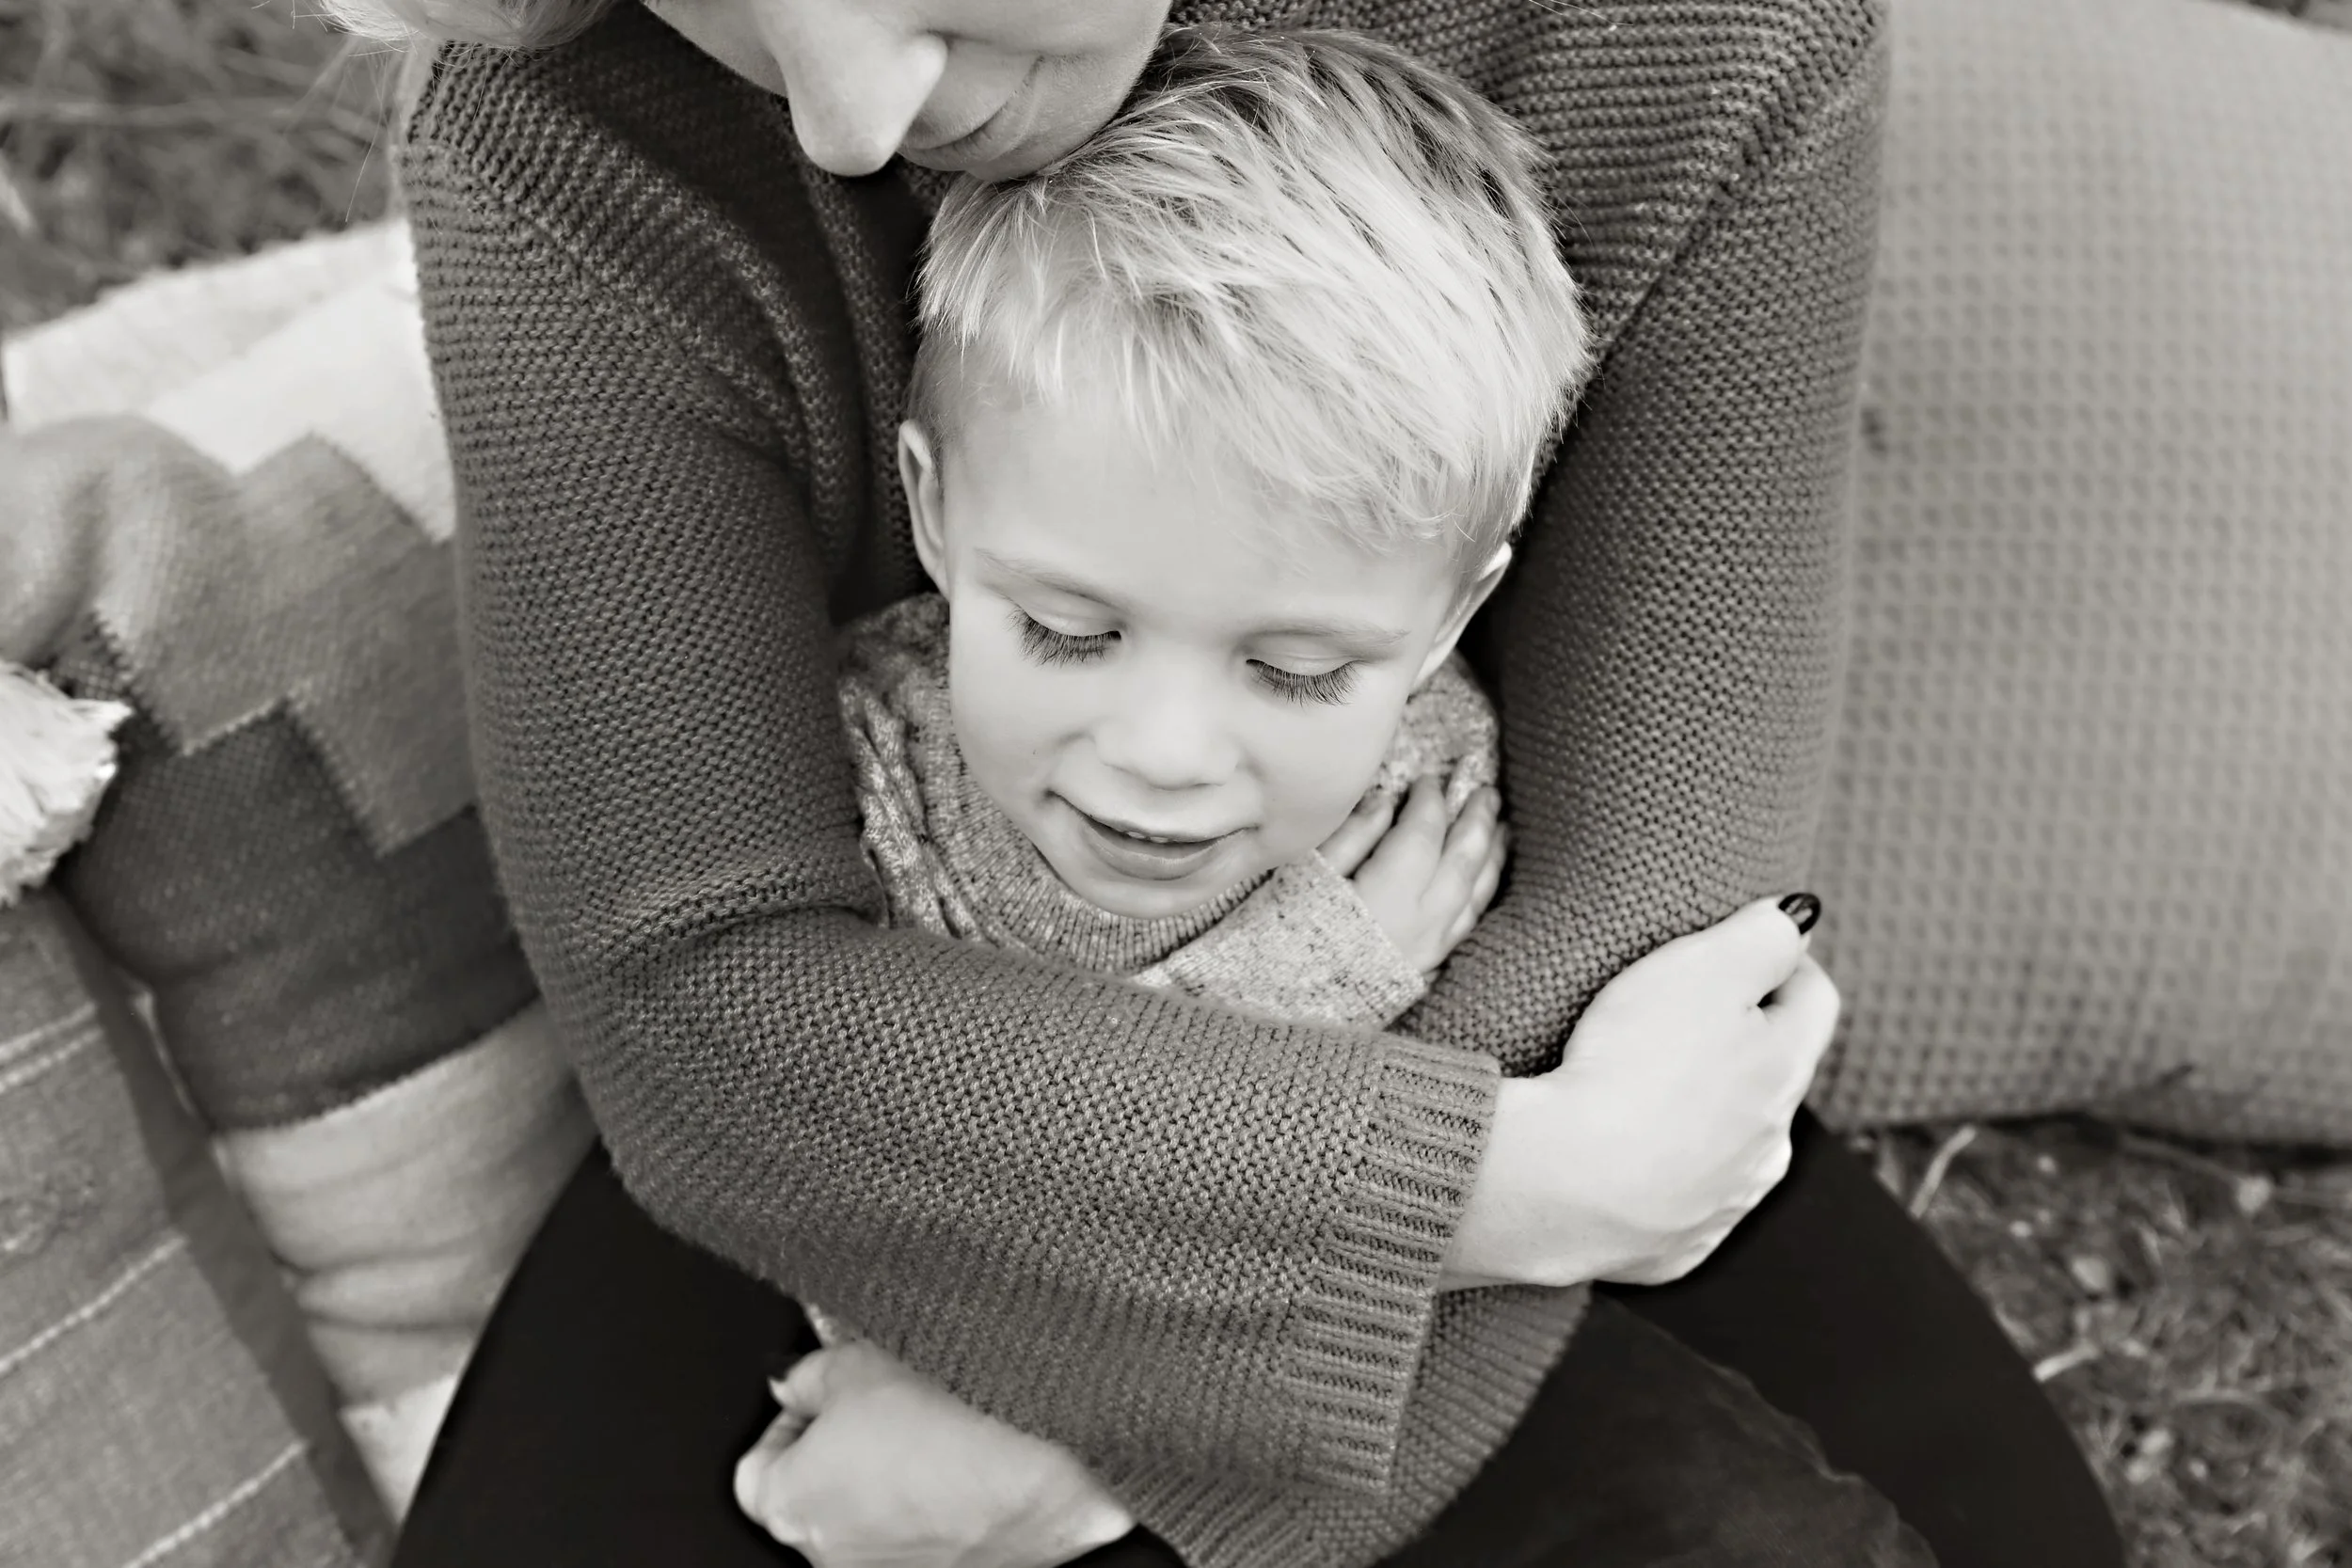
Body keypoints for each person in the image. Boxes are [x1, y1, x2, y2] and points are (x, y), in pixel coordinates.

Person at [332, 0, 2122, 1564]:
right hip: (890, 1140)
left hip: (1472, 1013)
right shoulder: (547, 120)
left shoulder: (1706, 35)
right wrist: (1509, 1191)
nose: (845, 118)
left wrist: (1097, 1450)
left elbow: (1664, 880)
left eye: (1290, 666)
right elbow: (695, 981)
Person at [723, 29, 1903, 1568]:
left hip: (1364, 1381)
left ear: (1447, 615)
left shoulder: (1436, 777)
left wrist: (1115, 1396)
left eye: (1294, 671)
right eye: (1068, 631)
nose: (1163, 749)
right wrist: (1313, 975)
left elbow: (1495, 1142)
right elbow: (890, 1207)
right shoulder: (869, 769)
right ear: (938, 509)